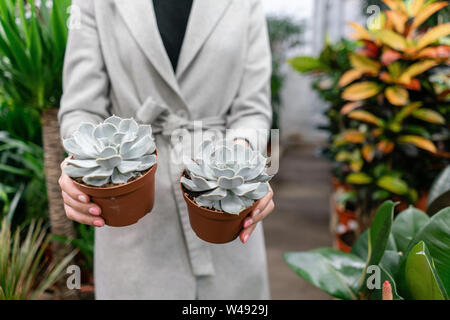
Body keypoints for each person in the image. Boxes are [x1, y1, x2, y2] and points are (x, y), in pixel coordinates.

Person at [58, 0, 275, 299]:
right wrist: (79, 163)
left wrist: (242, 164)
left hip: (228, 212)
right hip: (130, 211)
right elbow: (80, 108)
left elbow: (253, 109)